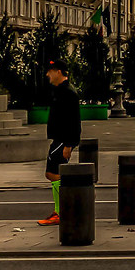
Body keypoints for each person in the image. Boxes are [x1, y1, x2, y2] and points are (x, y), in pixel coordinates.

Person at [38, 60, 85, 226]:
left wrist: (69, 144)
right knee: (53, 173)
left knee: (54, 173)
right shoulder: (60, 91)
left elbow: (74, 121)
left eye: (49, 72)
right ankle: (62, 209)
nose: (47, 75)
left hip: (62, 140)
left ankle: (61, 210)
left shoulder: (68, 93)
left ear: (58, 72)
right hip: (60, 139)